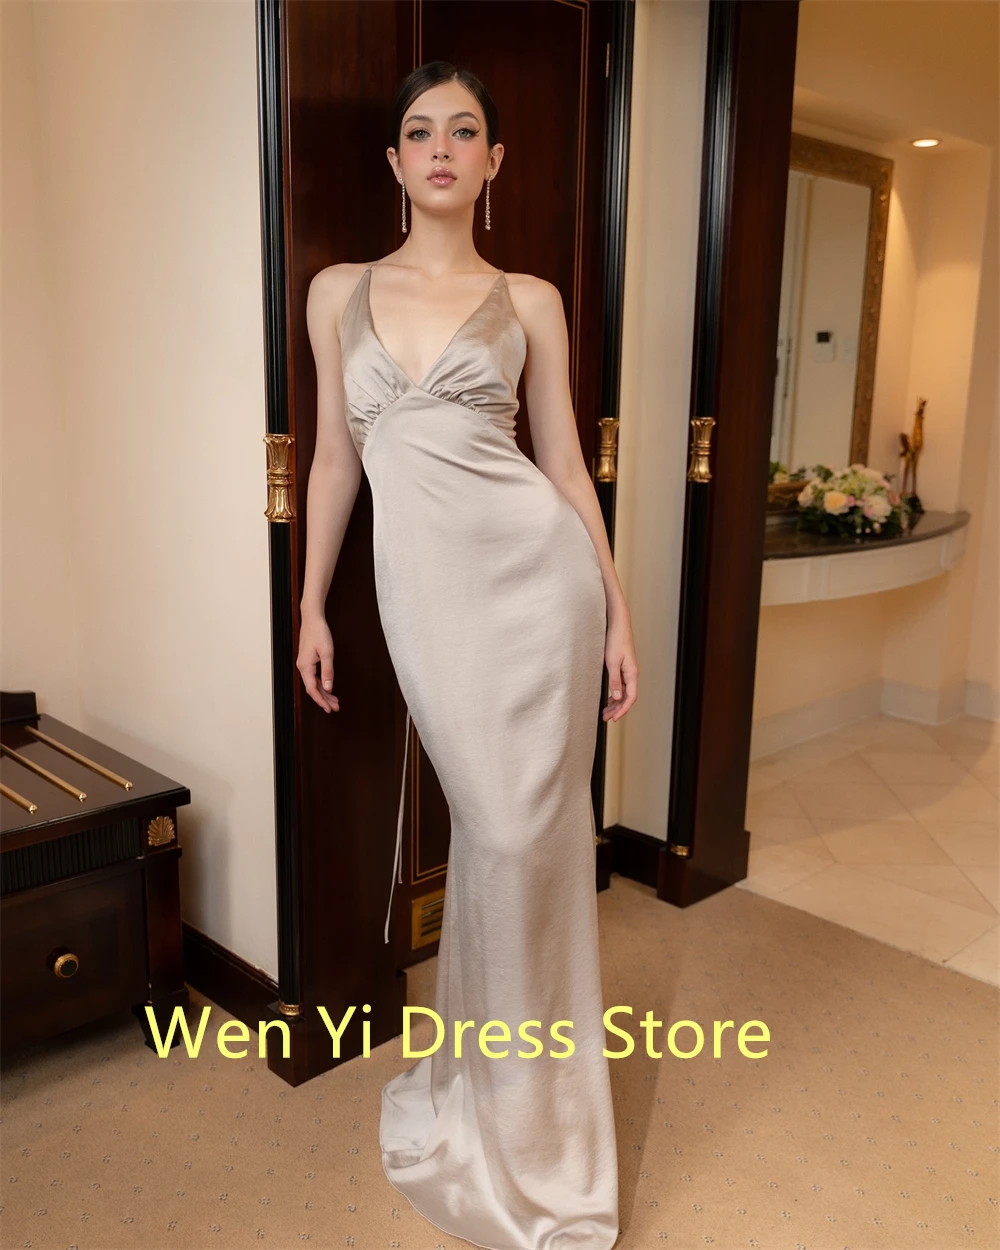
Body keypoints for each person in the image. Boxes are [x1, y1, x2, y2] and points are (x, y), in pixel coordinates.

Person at [297, 60, 637, 1250]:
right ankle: (491, 1101)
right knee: (495, 836)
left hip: (543, 587)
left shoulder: (530, 298)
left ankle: (538, 1134)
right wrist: (310, 605)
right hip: (429, 601)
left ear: (493, 161)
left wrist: (618, 611)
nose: (439, 147)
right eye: (418, 131)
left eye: (464, 130)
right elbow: (334, 460)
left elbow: (563, 465)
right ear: (394, 161)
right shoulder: (336, 291)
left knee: (528, 848)